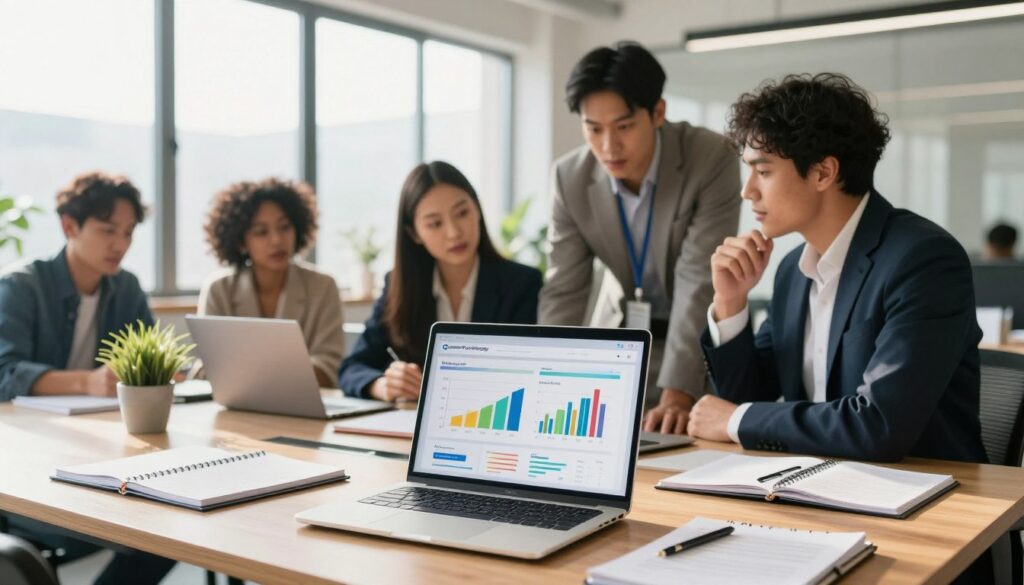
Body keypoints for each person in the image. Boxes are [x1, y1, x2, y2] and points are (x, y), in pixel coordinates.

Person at [687, 73, 987, 466]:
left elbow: (880, 424)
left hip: (928, 494)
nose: (748, 191)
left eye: (763, 171)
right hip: (816, 483)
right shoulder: (793, 271)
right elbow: (747, 398)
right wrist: (730, 302)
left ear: (823, 173)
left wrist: (735, 420)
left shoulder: (923, 259)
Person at [539, 41, 740, 433]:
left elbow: (698, 279)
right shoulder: (569, 177)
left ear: (658, 112)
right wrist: (548, 380)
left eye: (624, 126)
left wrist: (678, 394)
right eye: (593, 129)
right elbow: (564, 289)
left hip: (692, 347)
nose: (608, 146)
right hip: (619, 343)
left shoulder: (709, 157)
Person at [0, 171, 175, 583]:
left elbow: (142, 362)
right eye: (108, 230)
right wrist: (90, 381)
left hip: (100, 454)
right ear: (69, 226)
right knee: (155, 531)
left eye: (129, 232)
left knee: (168, 528)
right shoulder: (21, 285)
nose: (120, 244)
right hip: (29, 463)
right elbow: (3, 372)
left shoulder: (125, 288)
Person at [339, 161, 542, 402]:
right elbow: (352, 368)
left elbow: (527, 375)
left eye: (462, 213)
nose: (454, 232)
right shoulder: (399, 286)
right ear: (414, 234)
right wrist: (384, 386)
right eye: (435, 223)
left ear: (477, 209)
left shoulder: (521, 284)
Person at [198, 178, 344, 387]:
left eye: (285, 227)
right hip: (238, 409)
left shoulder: (323, 287)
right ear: (241, 241)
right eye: (261, 232)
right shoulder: (219, 289)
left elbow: (329, 367)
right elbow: (208, 366)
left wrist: (248, 371)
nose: (277, 240)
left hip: (305, 409)